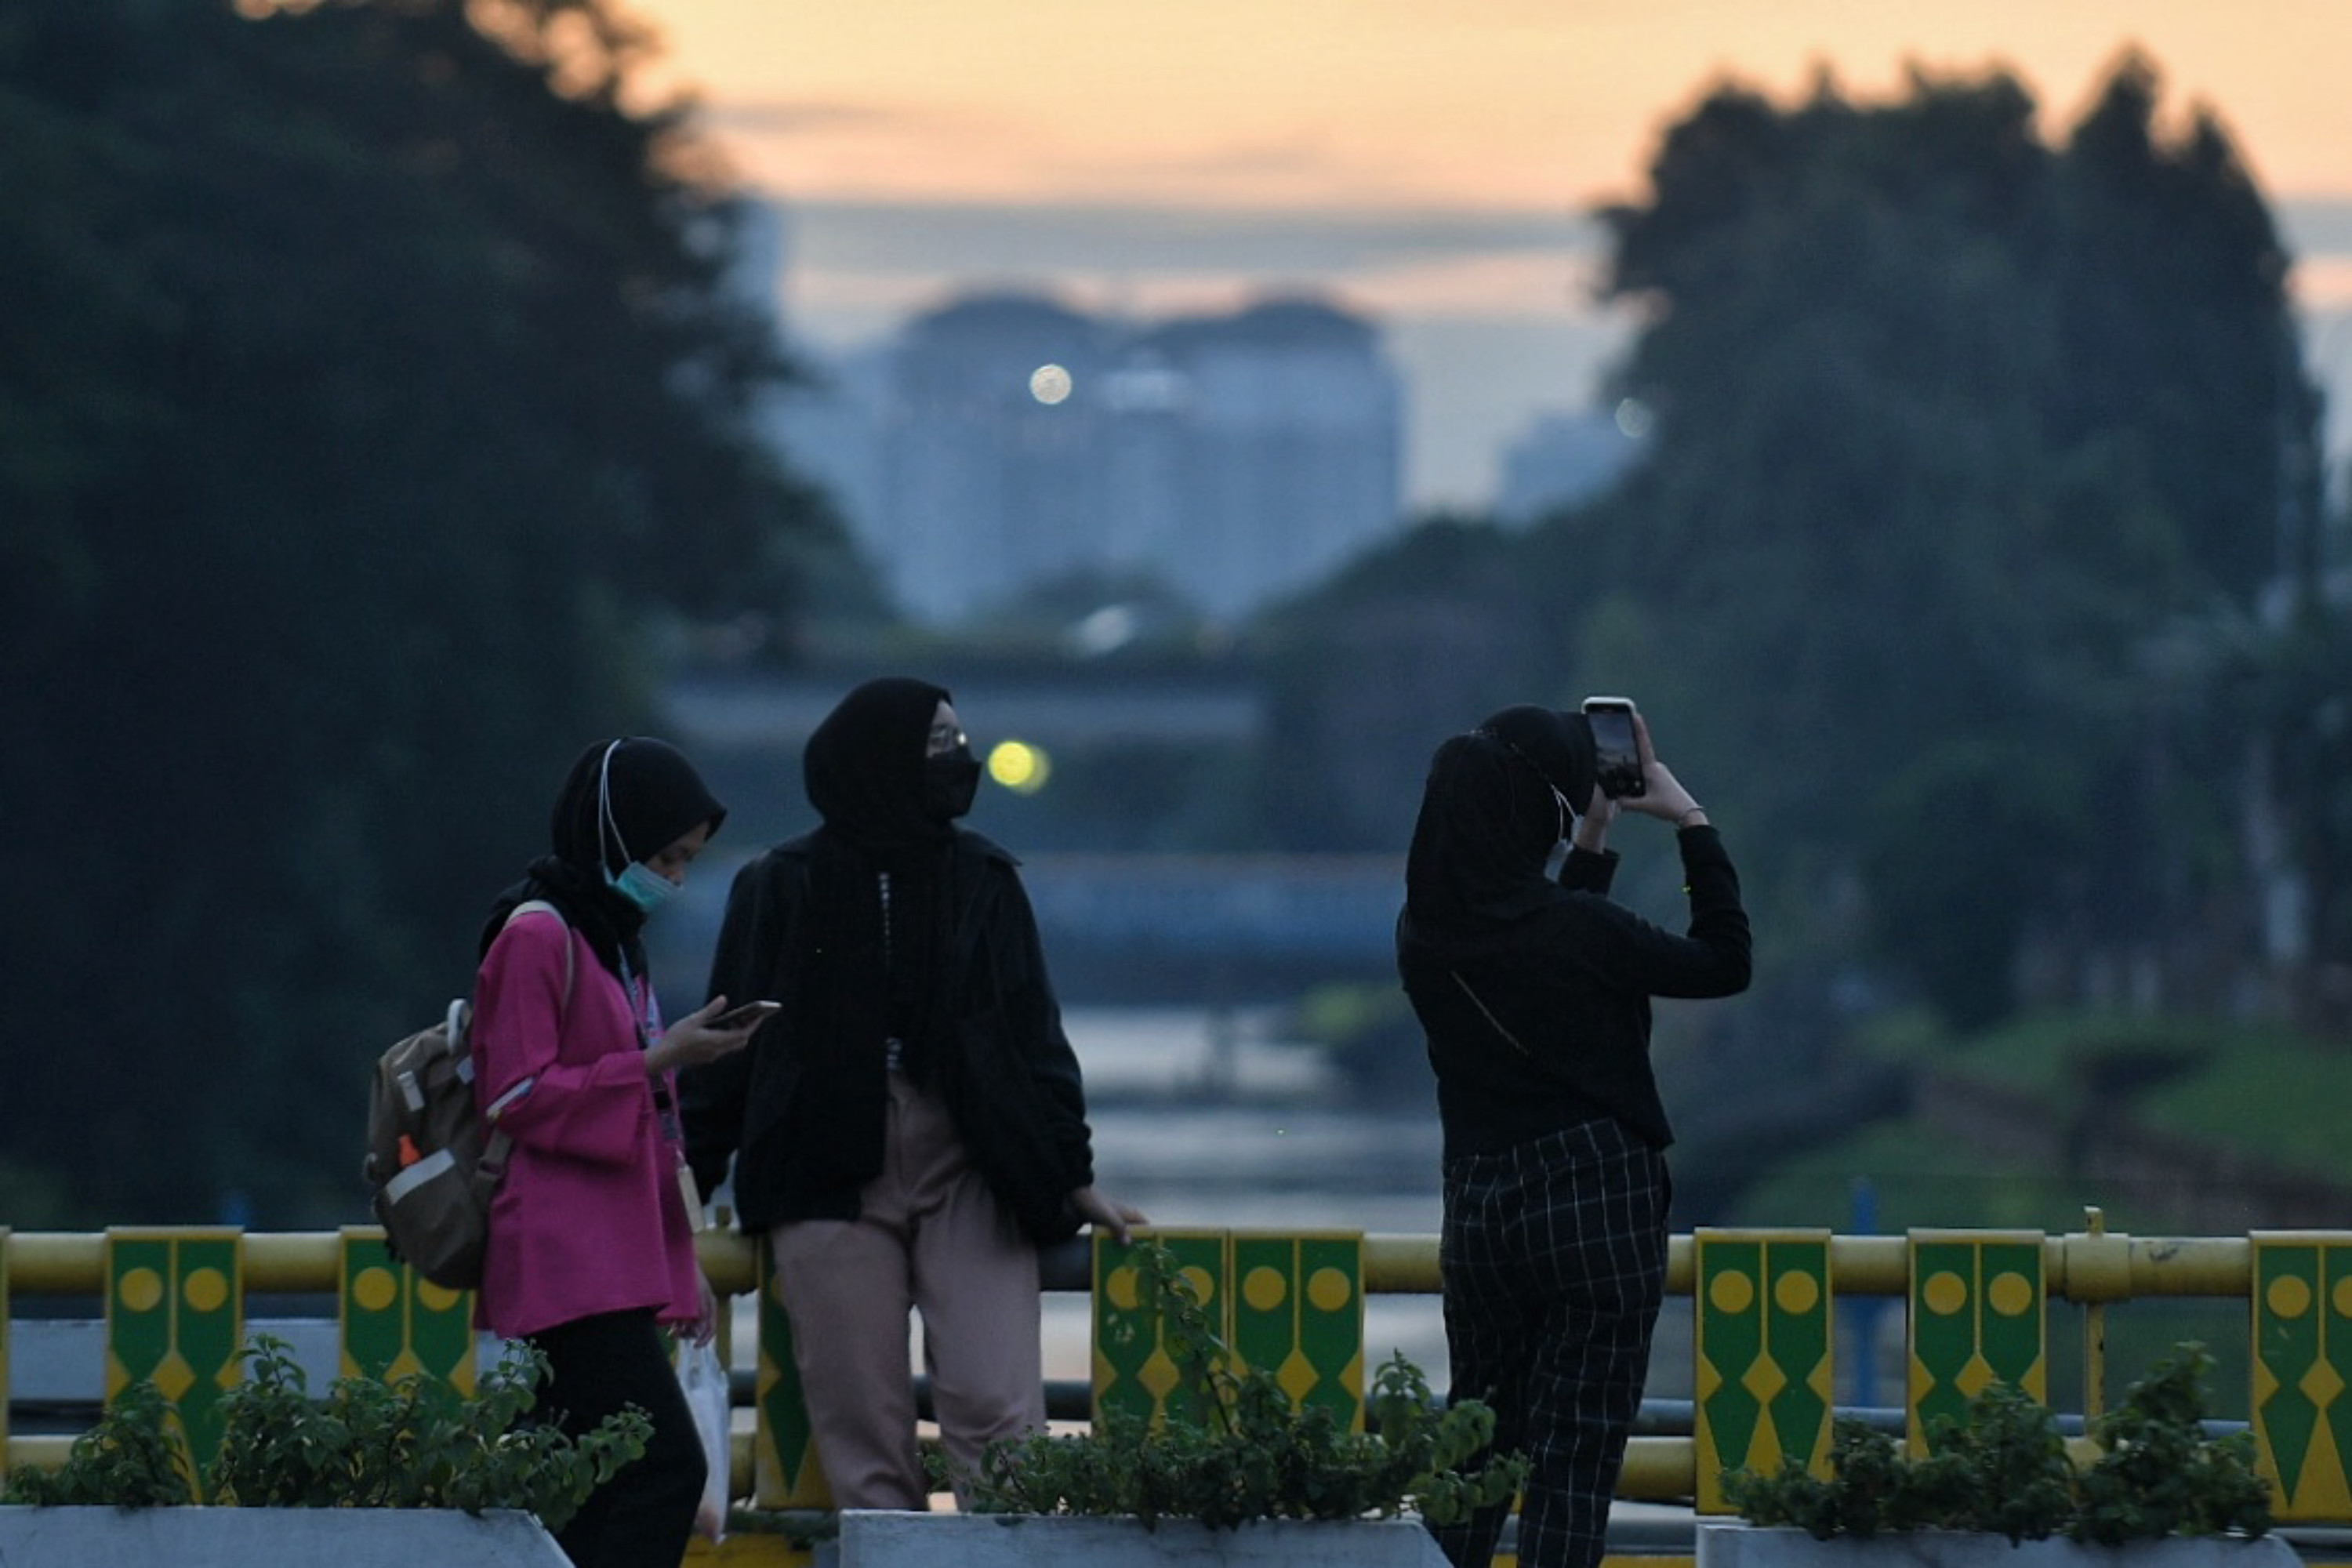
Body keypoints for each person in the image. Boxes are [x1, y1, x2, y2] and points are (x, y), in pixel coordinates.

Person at [681, 675, 1143, 1510]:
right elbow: (725, 1050)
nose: (957, 763)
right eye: (937, 747)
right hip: (824, 1165)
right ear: (879, 758)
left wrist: (1071, 1171)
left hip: (972, 1157)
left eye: (958, 746)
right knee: (862, 1425)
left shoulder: (986, 877)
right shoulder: (781, 881)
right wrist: (684, 1181)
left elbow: (1033, 1034)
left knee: (998, 1411)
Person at [1395, 702, 1751, 1568]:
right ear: (1532, 815)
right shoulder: (1580, 934)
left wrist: (1592, 831)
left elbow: (1542, 947)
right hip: (1595, 1203)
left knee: (1475, 1445)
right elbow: (1724, 959)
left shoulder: (1424, 936)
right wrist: (1691, 824)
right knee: (1574, 1464)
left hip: (1480, 1212)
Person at [470, 736, 769, 1568]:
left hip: (610, 1257)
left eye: (685, 861)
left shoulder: (613, 939)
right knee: (666, 1467)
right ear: (615, 830)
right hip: (564, 1262)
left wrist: (684, 1267)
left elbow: (657, 1126)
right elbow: (514, 1095)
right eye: (665, 855)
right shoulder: (537, 935)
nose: (671, 876)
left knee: (591, 1482)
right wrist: (657, 1058)